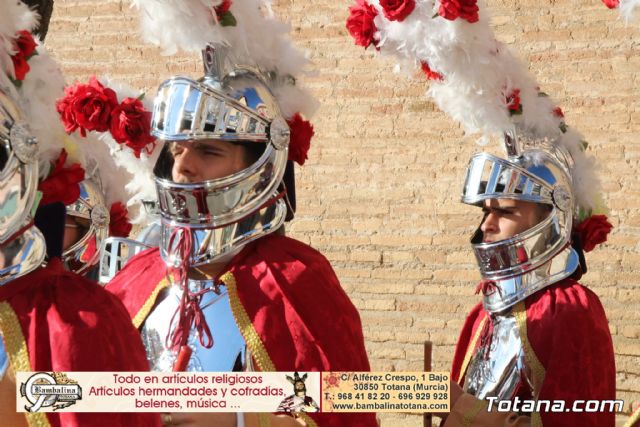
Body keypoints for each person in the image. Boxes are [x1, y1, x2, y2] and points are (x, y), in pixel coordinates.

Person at [106, 41, 376, 427]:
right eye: (178, 150)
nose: (183, 168)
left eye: (208, 152)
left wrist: (239, 417)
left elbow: (342, 410)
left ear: (256, 168)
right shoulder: (138, 275)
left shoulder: (295, 278)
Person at [0, 4, 160, 426]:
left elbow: (351, 395)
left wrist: (237, 414)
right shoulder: (140, 284)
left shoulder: (85, 316)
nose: (186, 171)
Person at [440, 135, 616, 426]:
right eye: (486, 211)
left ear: (549, 220)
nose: (487, 224)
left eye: (504, 212)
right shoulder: (485, 312)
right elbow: (457, 395)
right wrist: (357, 392)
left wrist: (461, 406)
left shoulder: (569, 309)